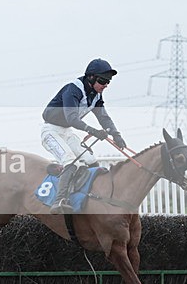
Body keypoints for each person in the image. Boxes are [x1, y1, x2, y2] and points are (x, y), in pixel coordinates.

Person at [41, 58, 127, 214]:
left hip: (67, 132)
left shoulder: (96, 95)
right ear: (91, 77)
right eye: (103, 81)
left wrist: (116, 134)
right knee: (70, 161)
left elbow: (104, 117)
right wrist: (93, 131)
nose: (105, 85)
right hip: (51, 132)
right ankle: (59, 201)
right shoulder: (73, 90)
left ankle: (91, 198)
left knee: (91, 161)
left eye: (108, 82)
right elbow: (72, 118)